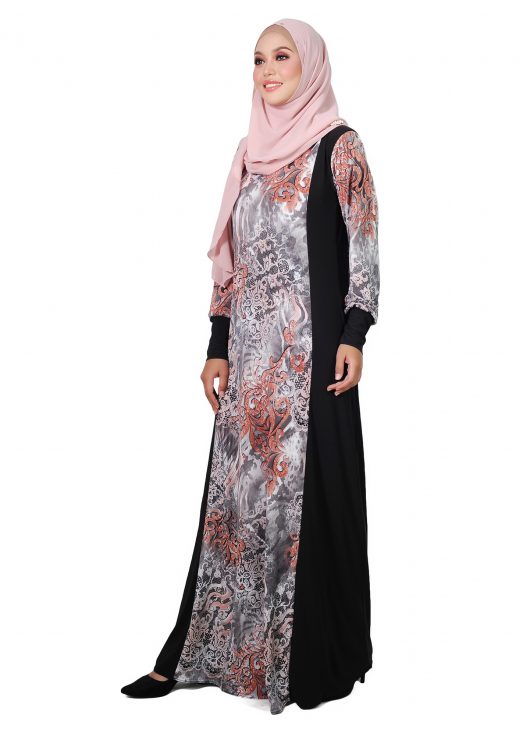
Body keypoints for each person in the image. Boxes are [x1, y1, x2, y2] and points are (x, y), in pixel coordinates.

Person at [121, 17, 380, 715]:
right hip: (250, 365)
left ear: (310, 66)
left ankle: (307, 658)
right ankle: (204, 653)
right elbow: (230, 262)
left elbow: (363, 248)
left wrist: (355, 333)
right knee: (234, 504)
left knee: (307, 502)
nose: (267, 71)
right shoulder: (248, 154)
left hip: (313, 365)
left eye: (281, 57)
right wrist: (217, 343)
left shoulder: (340, 147)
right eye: (258, 60)